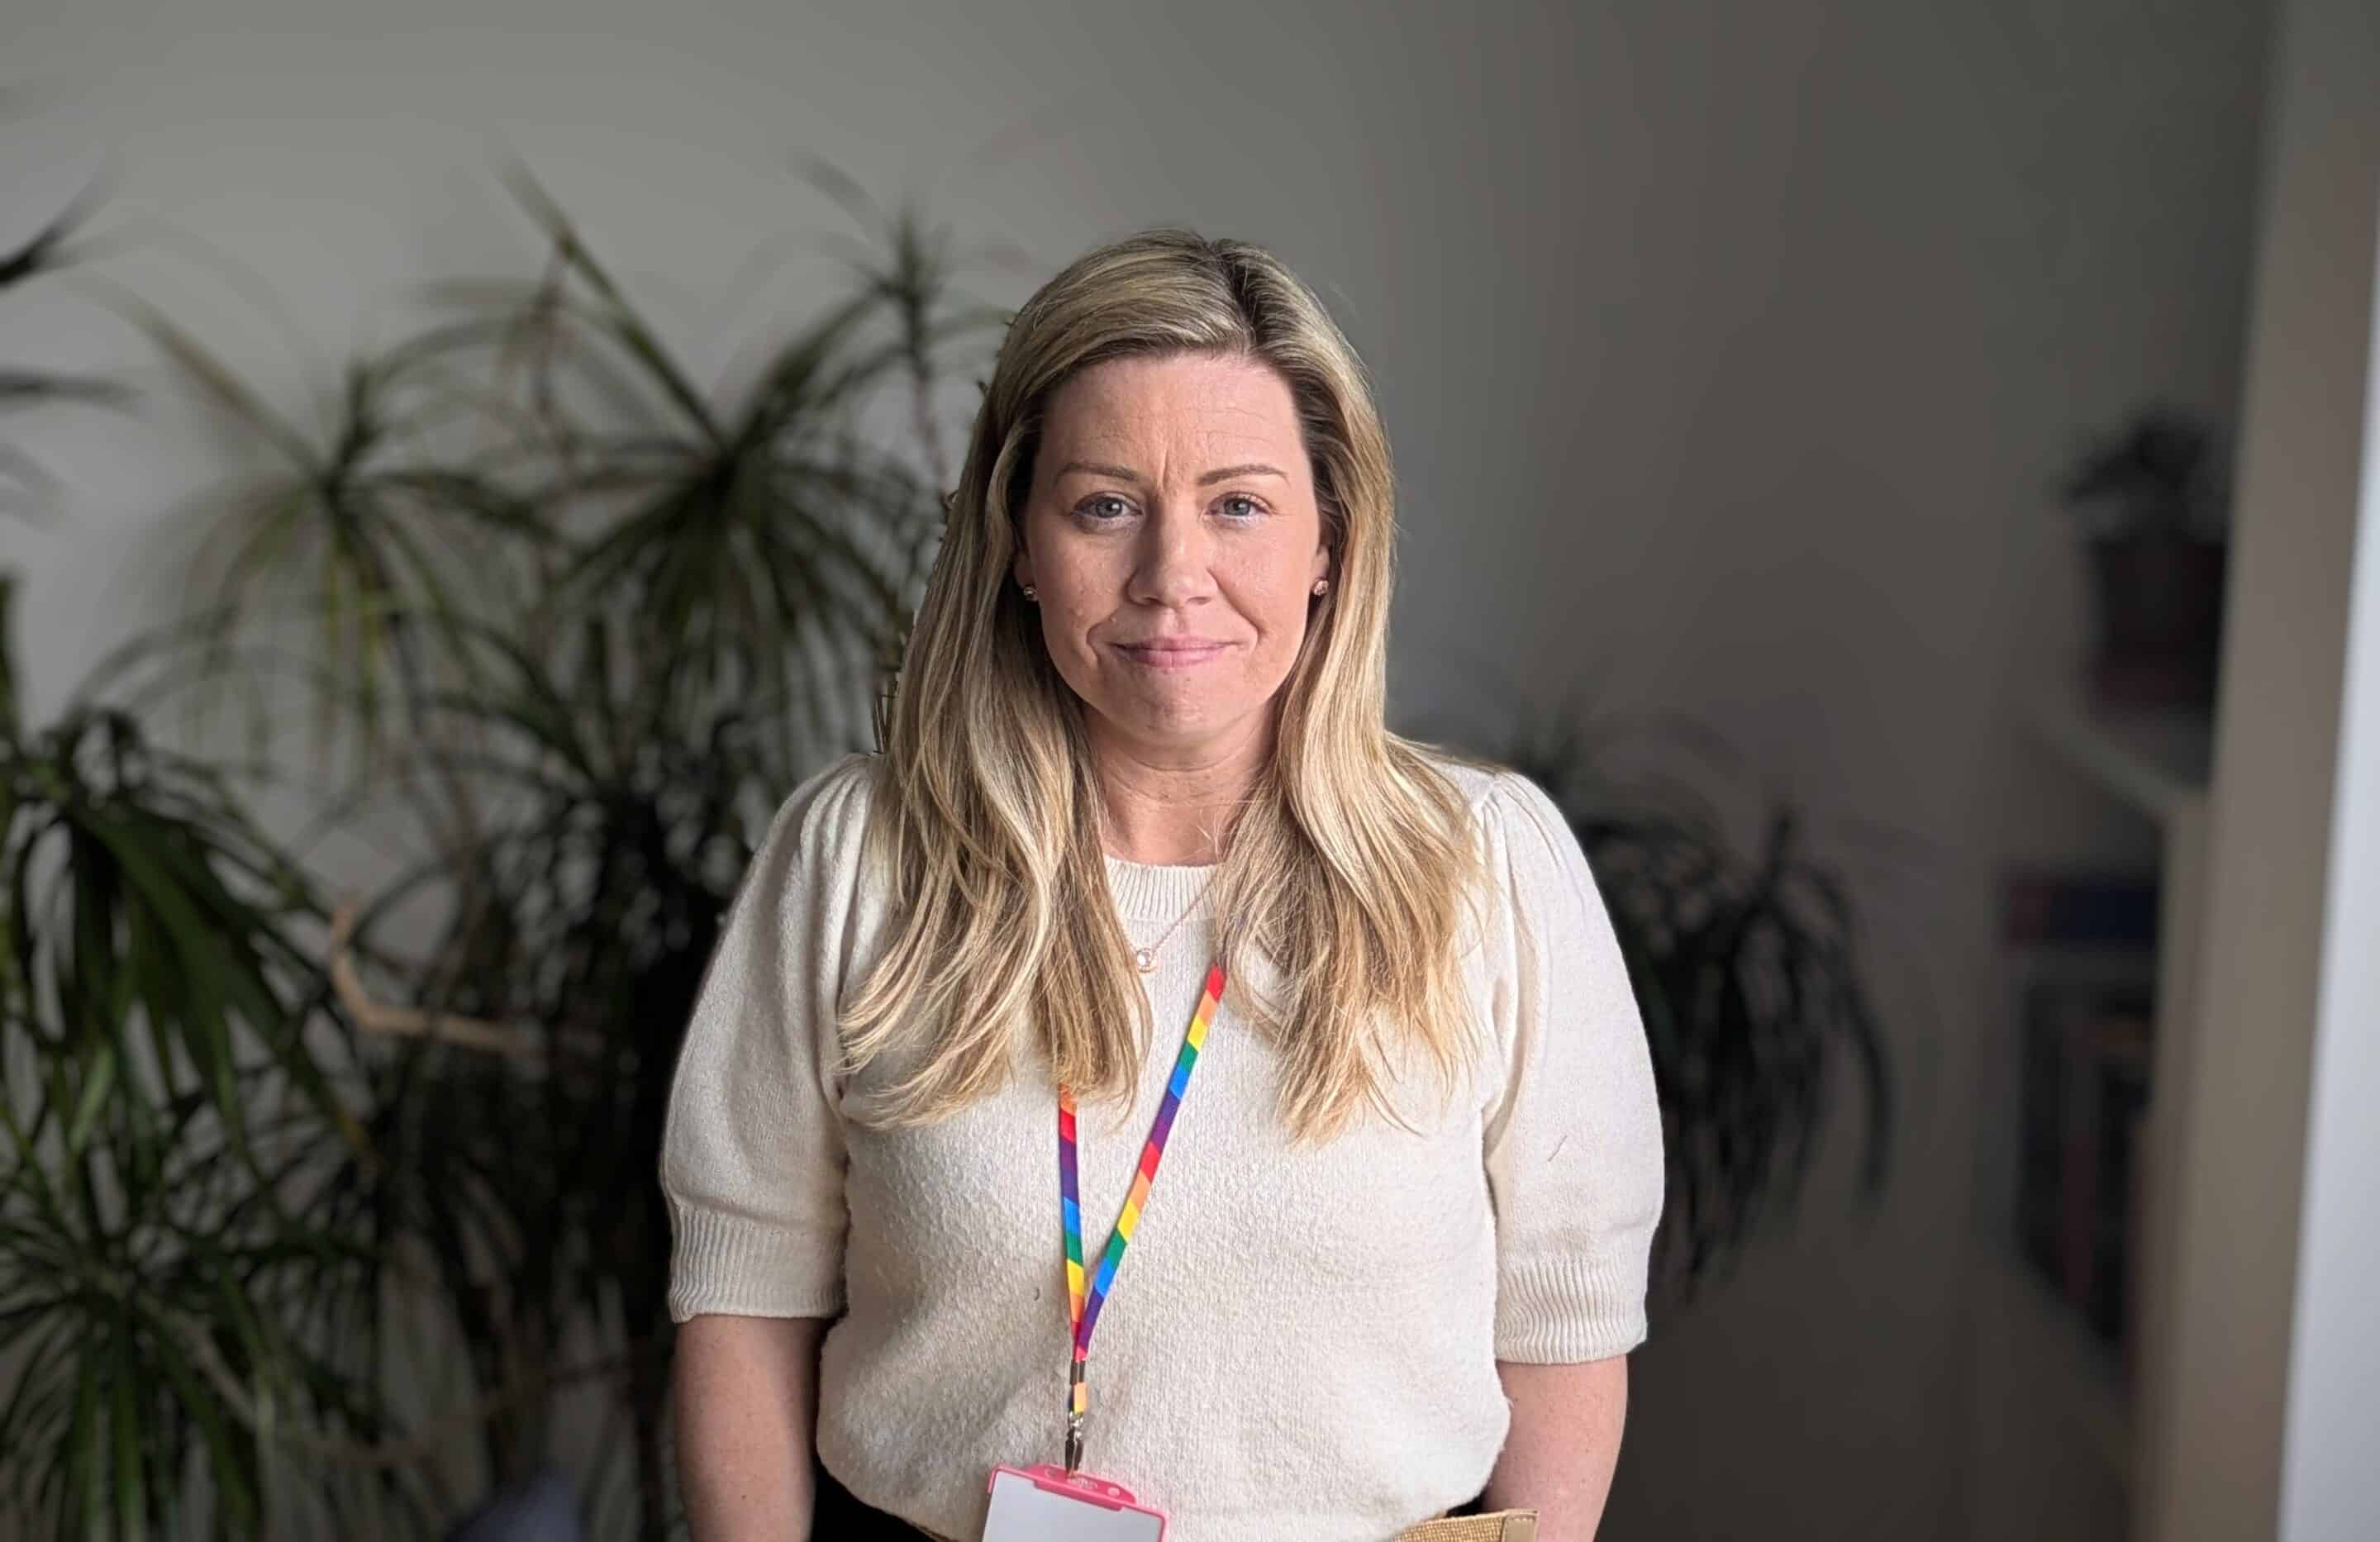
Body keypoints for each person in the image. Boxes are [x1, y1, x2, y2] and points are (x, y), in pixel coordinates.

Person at [661, 227, 1665, 1542]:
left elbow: (1565, 1320)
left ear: (1328, 542)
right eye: (1105, 505)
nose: (1170, 577)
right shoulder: (859, 859)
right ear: (1021, 542)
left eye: (1238, 503)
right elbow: (746, 1296)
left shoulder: (1490, 869)